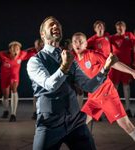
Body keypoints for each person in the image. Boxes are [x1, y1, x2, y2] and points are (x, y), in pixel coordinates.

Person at [27, 16, 116, 150]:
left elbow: (89, 86)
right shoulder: (35, 61)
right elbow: (50, 85)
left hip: (75, 123)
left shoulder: (70, 58)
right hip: (49, 125)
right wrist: (64, 67)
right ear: (43, 34)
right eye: (51, 25)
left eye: (58, 25)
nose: (56, 26)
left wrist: (105, 68)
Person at [72, 32, 135, 141]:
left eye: (80, 41)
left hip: (107, 95)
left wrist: (132, 71)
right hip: (93, 99)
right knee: (79, 123)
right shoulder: (74, 61)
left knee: (125, 124)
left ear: (86, 44)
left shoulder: (93, 55)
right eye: (75, 41)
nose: (78, 44)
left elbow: (113, 63)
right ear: (72, 44)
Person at [0, 41, 34, 122]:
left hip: (14, 76)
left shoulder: (22, 54)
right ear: (9, 50)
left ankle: (13, 114)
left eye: (17, 49)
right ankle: (6, 110)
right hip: (4, 78)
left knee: (14, 89)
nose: (15, 51)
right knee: (5, 95)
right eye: (13, 49)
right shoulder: (2, 55)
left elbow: (33, 50)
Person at [109, 21, 135, 117]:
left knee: (126, 87)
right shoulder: (112, 37)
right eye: (118, 28)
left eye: (122, 27)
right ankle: (114, 110)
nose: (120, 29)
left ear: (125, 27)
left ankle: (127, 109)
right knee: (114, 88)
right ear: (116, 28)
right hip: (115, 66)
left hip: (126, 66)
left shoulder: (129, 35)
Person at [26, 38, 44, 120]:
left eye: (41, 44)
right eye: (37, 45)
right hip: (36, 76)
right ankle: (35, 112)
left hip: (46, 76)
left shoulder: (48, 52)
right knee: (36, 94)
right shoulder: (31, 53)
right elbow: (21, 54)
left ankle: (44, 112)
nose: (39, 47)